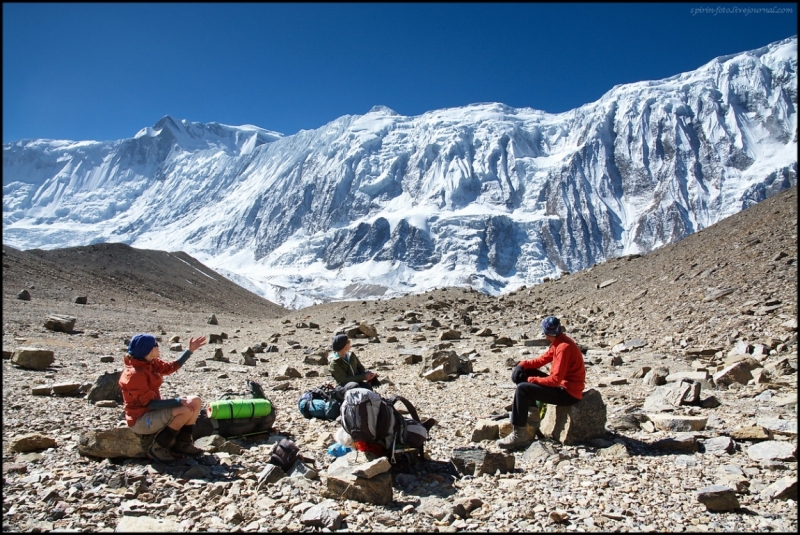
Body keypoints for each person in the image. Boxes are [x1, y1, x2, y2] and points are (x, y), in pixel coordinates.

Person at [496, 316, 585, 449]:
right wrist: (522, 365)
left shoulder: (563, 348)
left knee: (523, 388)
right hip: (563, 387)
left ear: (547, 333)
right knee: (525, 374)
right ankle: (532, 421)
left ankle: (519, 434)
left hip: (568, 394)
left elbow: (555, 381)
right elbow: (542, 360)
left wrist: (531, 380)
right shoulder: (559, 341)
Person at [118, 333, 207, 464]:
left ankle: (183, 443)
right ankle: (158, 447)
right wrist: (178, 401)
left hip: (152, 413)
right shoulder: (134, 375)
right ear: (147, 350)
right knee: (185, 410)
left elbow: (170, 368)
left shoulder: (150, 363)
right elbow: (150, 404)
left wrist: (190, 351)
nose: (158, 347)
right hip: (140, 420)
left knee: (195, 401)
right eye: (155, 345)